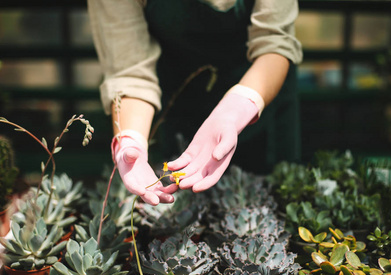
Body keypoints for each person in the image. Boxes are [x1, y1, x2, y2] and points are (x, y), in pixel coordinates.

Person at [87, 0, 302, 206]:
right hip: (178, 100)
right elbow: (130, 72)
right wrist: (131, 140)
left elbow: (275, 42)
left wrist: (237, 107)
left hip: (259, 94)